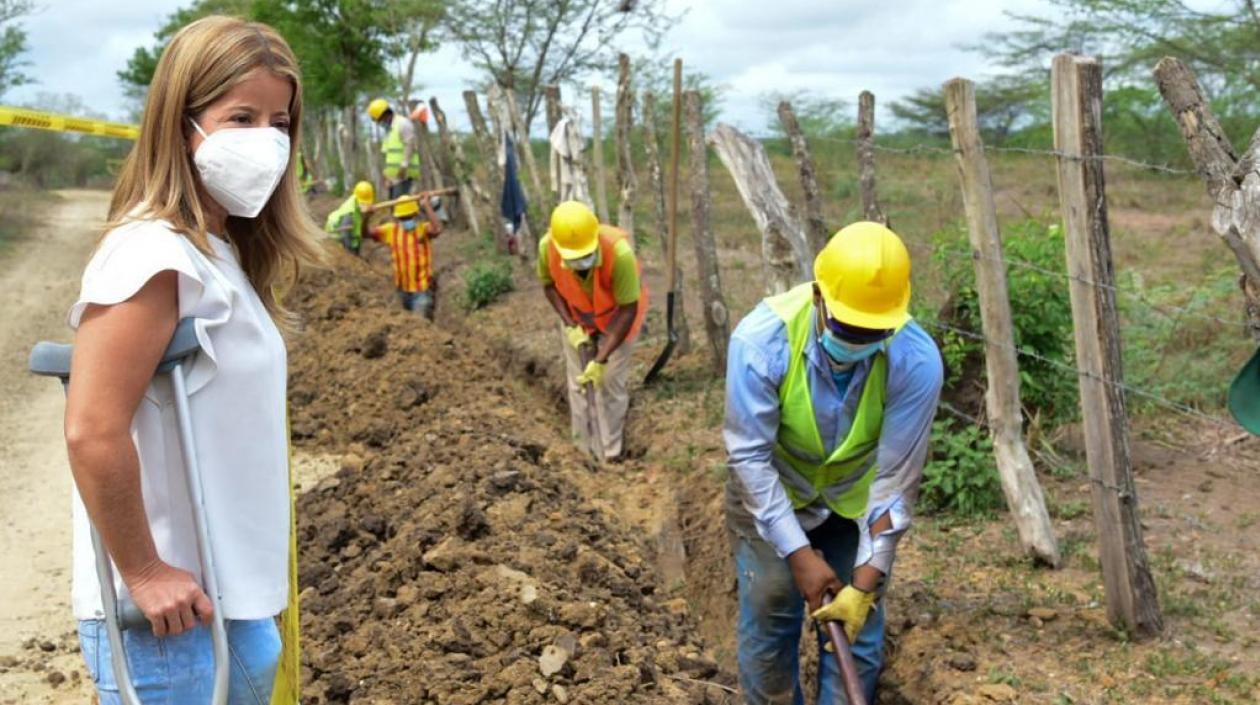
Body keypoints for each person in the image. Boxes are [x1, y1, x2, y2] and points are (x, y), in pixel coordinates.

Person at [62, 15, 321, 704]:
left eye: (279, 121)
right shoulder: (152, 253)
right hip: (172, 627)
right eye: (240, 117)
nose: (265, 141)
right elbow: (92, 427)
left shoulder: (217, 250)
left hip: (228, 608)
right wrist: (144, 571)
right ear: (183, 125)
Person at [723, 222, 943, 705]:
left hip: (854, 500)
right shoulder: (761, 342)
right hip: (773, 491)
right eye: (847, 328)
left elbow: (895, 484)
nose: (859, 340)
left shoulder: (916, 360)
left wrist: (863, 587)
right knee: (772, 609)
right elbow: (751, 459)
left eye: (874, 332)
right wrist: (799, 556)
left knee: (857, 631)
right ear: (820, 296)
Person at [538, 201, 647, 461]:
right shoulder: (547, 248)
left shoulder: (619, 254)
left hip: (618, 321)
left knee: (609, 381)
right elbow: (549, 286)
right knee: (578, 384)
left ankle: (611, 453)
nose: (581, 262)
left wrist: (600, 358)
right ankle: (582, 451)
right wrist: (571, 325)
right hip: (578, 319)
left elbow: (627, 309)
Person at [366, 197, 442, 319]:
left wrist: (427, 206)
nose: (406, 220)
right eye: (403, 218)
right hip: (402, 290)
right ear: (397, 218)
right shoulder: (391, 230)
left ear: (415, 214)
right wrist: (367, 217)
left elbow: (437, 229)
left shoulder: (423, 229)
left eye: (408, 217)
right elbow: (366, 233)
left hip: (421, 291)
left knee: (419, 325)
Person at [368, 98, 417, 200]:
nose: (378, 123)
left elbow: (410, 145)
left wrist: (404, 166)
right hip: (394, 178)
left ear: (384, 115)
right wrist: (387, 175)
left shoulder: (403, 124)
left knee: (403, 208)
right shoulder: (389, 130)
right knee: (394, 207)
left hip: (405, 176)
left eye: (378, 120)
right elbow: (389, 156)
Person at [323, 180, 374, 255]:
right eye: (363, 203)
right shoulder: (349, 214)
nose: (366, 204)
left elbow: (361, 228)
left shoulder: (356, 200)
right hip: (338, 238)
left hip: (352, 237)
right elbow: (345, 236)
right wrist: (351, 255)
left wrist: (367, 216)